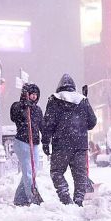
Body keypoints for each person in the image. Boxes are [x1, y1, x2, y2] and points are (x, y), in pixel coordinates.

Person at [42, 73, 97, 206]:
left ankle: (65, 198)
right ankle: (78, 201)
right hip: (80, 145)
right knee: (80, 176)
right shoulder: (83, 100)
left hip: (61, 145)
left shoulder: (54, 100)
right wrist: (81, 125)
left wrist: (45, 141)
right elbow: (92, 122)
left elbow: (48, 124)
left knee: (56, 172)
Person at [10, 83, 44, 206]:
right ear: (26, 94)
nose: (34, 97)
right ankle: (33, 196)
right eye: (31, 94)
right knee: (28, 171)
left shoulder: (38, 110)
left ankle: (20, 198)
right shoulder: (18, 106)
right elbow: (13, 116)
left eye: (36, 94)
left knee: (32, 172)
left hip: (34, 143)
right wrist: (23, 105)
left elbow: (42, 126)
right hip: (22, 142)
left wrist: (46, 140)